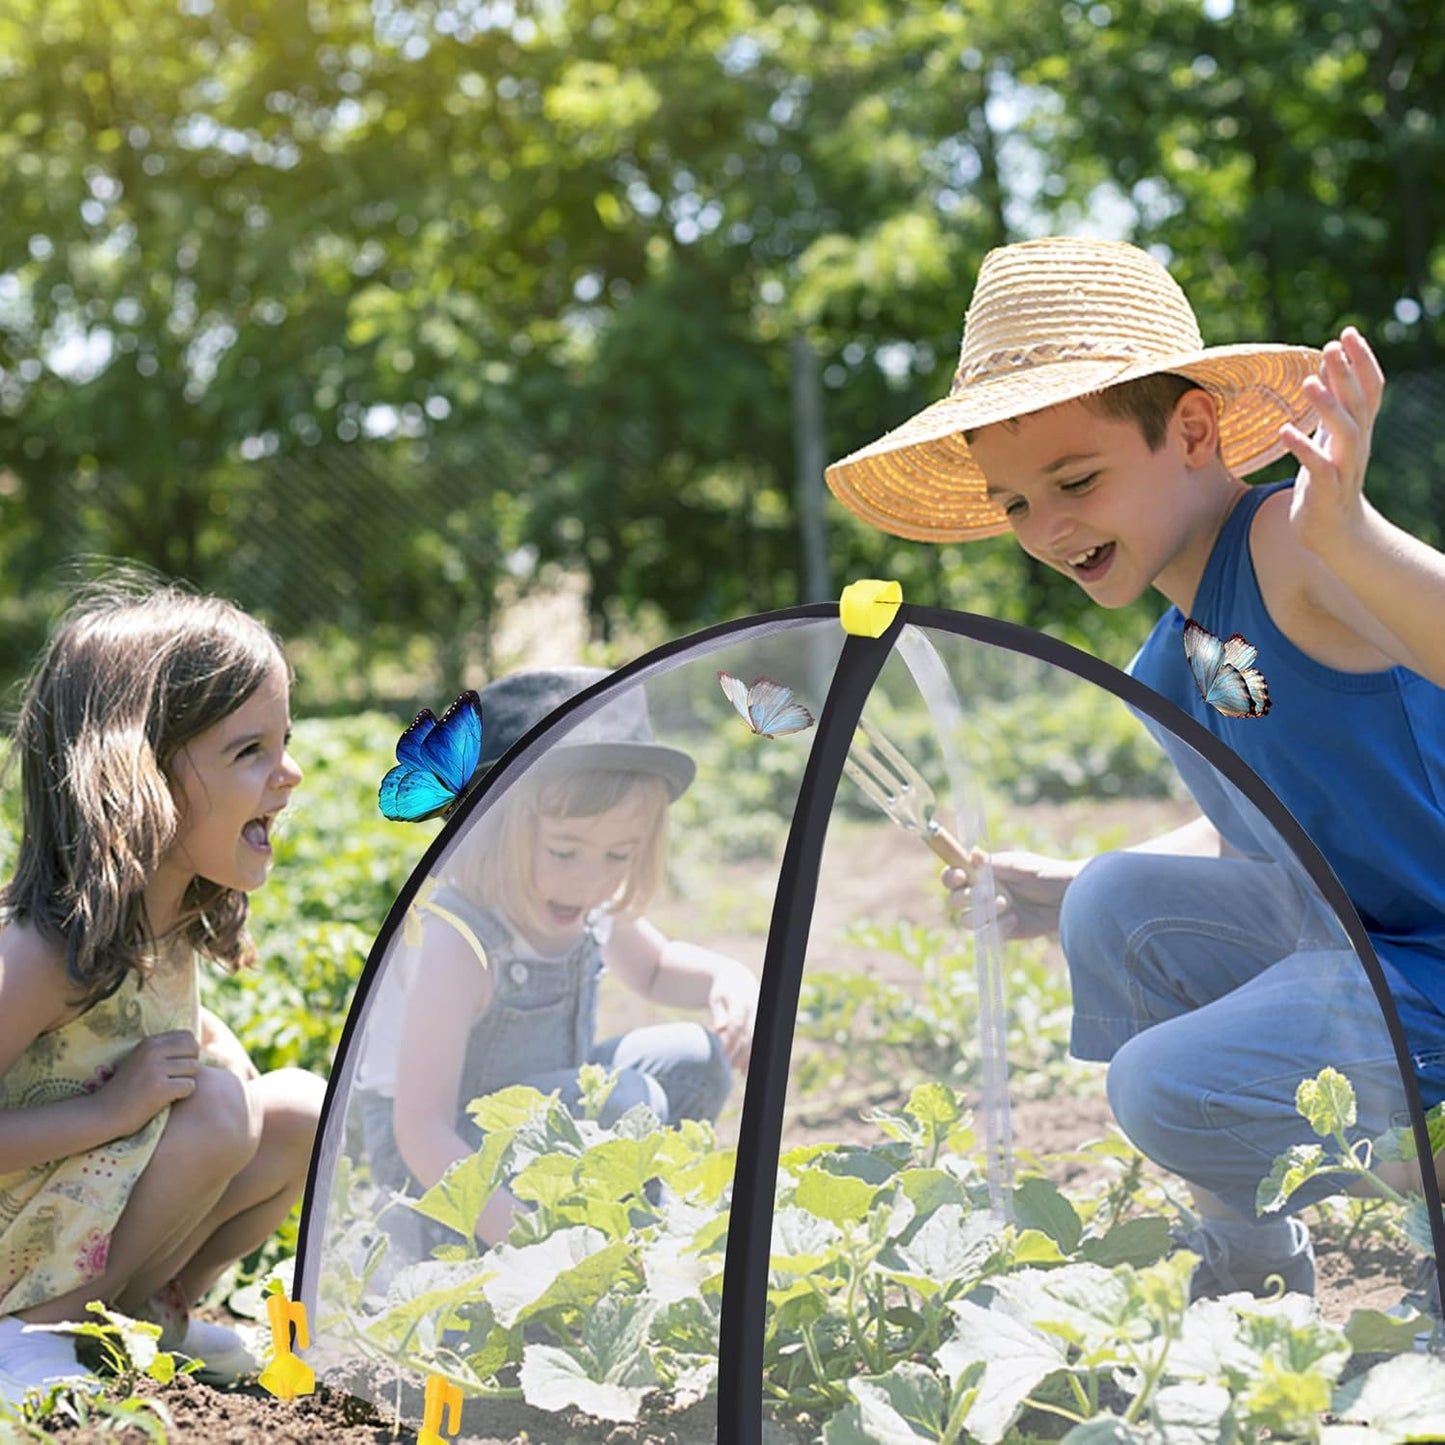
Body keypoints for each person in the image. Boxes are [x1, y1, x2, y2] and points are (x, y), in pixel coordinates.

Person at [825, 235, 1445, 1301]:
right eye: (1016, 504)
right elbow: (1262, 831)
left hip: (1424, 960)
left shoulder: (1290, 545)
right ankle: (1251, 1265)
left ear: (1193, 432)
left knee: (1162, 1084)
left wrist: (1348, 535)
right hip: (1378, 955)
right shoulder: (1170, 657)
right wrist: (1055, 887)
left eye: (1075, 479)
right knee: (1112, 898)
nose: (1047, 528)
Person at [0, 576, 326, 1407]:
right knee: (217, 1111)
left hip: (76, 1222)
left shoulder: (167, 921)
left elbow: (146, 1029)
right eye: (249, 751)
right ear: (136, 774)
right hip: (10, 1251)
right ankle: (31, 1337)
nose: (289, 773)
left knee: (296, 1110)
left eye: (284, 741)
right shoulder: (39, 954)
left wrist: (216, 1049)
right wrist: (106, 1113)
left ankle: (149, 1316)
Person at [355, 667, 758, 1254]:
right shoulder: (459, 943)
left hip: (537, 1122)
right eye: (564, 852)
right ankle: (610, 1243)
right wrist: (529, 1241)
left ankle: (624, 1221)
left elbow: (654, 967)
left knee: (698, 1060)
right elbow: (420, 1131)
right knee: (625, 1100)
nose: (591, 880)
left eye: (619, 855)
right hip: (441, 1170)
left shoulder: (586, 902)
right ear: (492, 833)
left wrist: (730, 978)